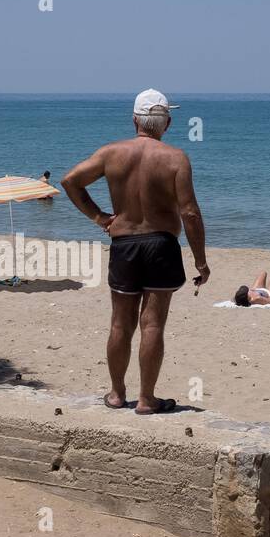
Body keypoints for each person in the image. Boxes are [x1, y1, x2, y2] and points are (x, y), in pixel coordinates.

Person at [61, 88, 208, 414]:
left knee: (119, 324)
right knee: (152, 325)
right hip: (161, 245)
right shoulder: (175, 158)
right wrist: (200, 260)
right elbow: (190, 213)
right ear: (166, 123)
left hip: (124, 244)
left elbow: (70, 181)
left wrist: (100, 218)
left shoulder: (112, 153)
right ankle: (146, 399)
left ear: (134, 120)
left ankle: (116, 394)